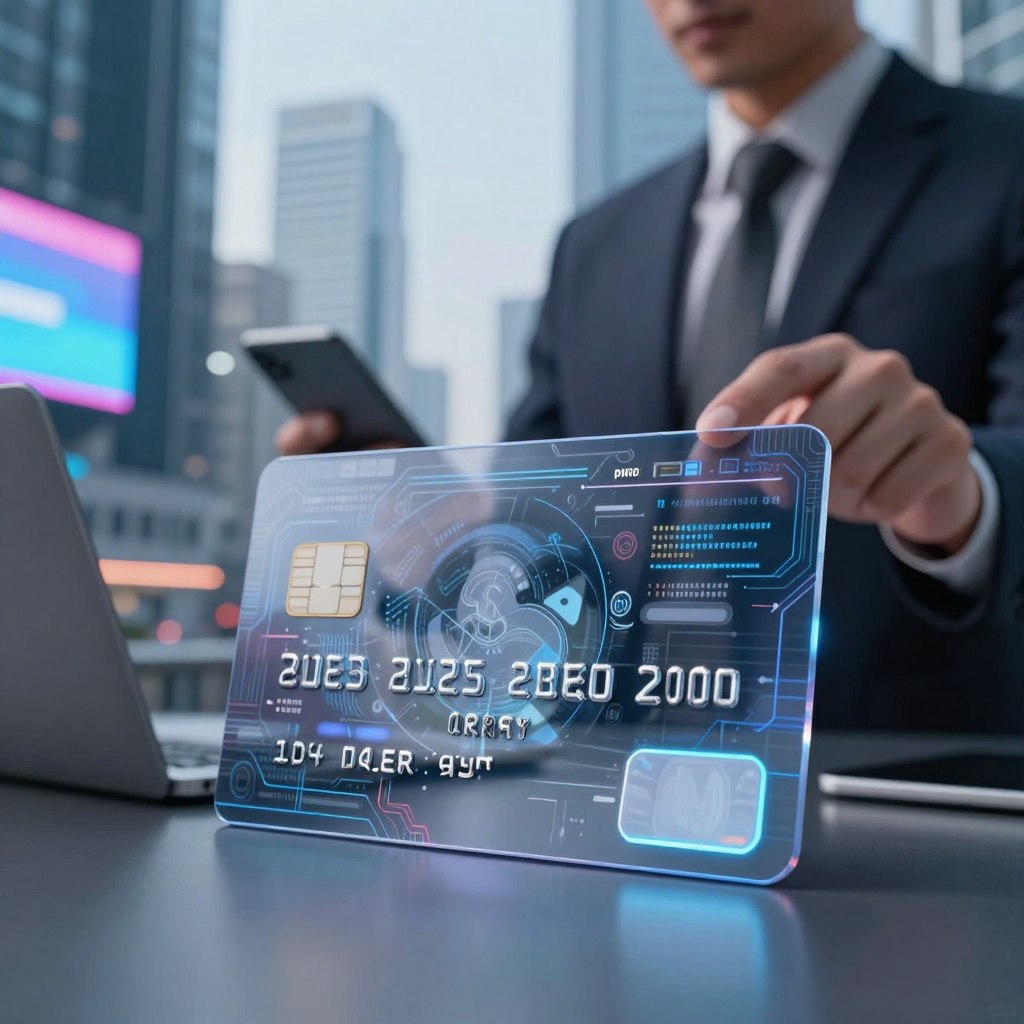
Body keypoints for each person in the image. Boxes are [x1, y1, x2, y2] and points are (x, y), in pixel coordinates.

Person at [277, 0, 1024, 732]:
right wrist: (446, 539)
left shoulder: (1004, 160)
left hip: (923, 789)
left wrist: (954, 498)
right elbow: (550, 541)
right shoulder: (595, 245)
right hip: (611, 794)